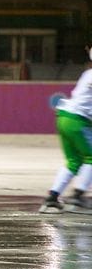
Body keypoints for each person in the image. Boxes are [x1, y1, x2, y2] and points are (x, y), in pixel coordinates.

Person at [40, 43, 92, 214]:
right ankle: (77, 196)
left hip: (64, 117)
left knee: (74, 161)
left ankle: (52, 198)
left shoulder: (87, 74)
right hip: (77, 120)